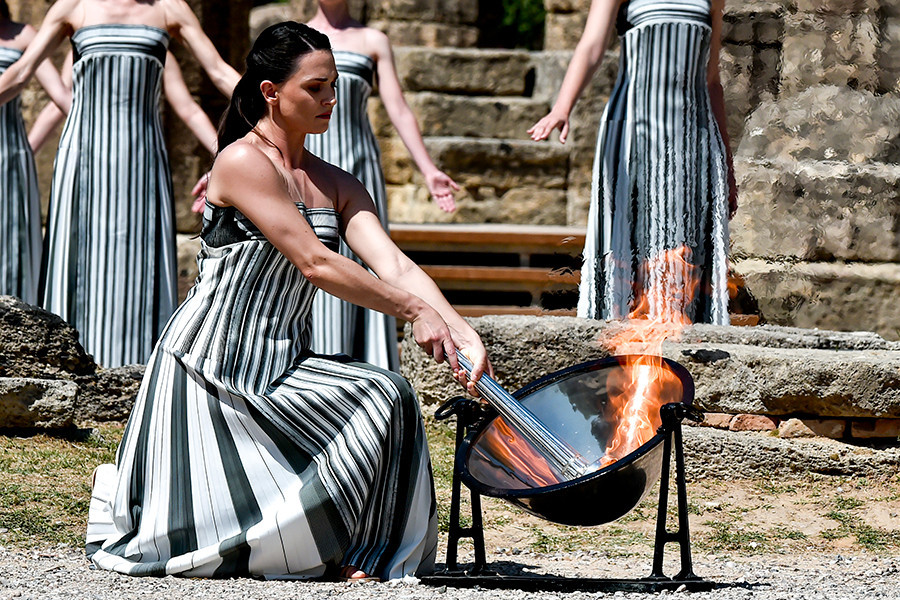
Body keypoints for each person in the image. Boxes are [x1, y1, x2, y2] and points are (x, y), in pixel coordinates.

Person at [86, 21, 490, 581]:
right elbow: (315, 262)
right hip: (212, 371)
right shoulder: (241, 162)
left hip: (284, 363)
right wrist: (414, 312)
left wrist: (458, 325)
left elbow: (394, 264)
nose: (331, 99)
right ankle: (298, 543)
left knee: (389, 394)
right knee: (382, 393)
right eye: (315, 88)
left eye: (334, 85)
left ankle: (359, 554)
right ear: (272, 92)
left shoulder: (338, 182)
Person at [0, 0, 240, 368]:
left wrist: (275, 112)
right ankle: (69, 370)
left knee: (140, 268)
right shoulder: (73, 7)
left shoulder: (169, 9)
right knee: (76, 263)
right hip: (82, 162)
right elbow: (19, 74)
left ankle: (139, 375)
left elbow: (220, 73)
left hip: (143, 162)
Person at [529, 0, 736, 324]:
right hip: (632, 133)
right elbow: (592, 47)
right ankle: (619, 349)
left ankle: (680, 356)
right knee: (628, 245)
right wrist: (562, 107)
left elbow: (712, 81)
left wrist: (727, 166)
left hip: (691, 142)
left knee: (686, 253)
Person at [297, 0, 461, 372]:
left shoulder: (374, 40)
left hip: (356, 166)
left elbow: (397, 107)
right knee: (318, 258)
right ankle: (316, 365)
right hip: (305, 166)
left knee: (368, 261)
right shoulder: (298, 40)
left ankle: (367, 367)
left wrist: (428, 169)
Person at [0, 0, 68, 304]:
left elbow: (61, 98)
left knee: (11, 246)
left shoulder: (24, 35)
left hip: (9, 154)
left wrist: (28, 146)